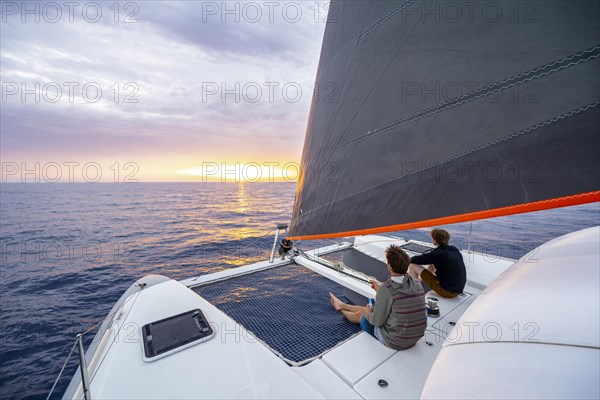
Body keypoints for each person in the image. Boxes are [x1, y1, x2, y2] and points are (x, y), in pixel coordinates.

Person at [329, 245, 426, 350]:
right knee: (370, 310)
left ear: (389, 265)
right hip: (415, 337)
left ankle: (340, 309)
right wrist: (379, 290)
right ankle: (342, 305)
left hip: (396, 341)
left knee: (362, 315)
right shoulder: (416, 283)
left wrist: (367, 311)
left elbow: (376, 321)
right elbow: (399, 297)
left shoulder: (387, 289)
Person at [407, 228, 466, 298]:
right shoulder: (454, 249)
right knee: (432, 263)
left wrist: (405, 259)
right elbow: (431, 259)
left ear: (435, 241)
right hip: (458, 289)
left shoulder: (438, 254)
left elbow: (415, 260)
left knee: (412, 266)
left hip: (447, 291)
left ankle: (413, 292)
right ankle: (419, 281)